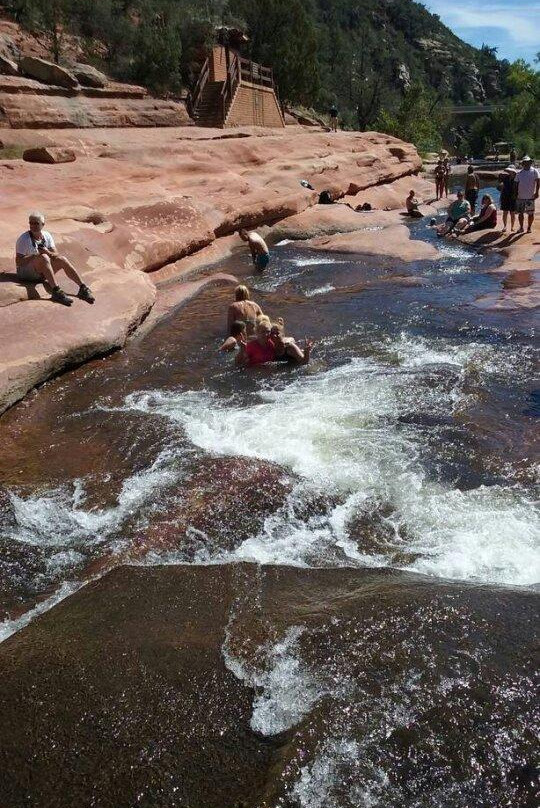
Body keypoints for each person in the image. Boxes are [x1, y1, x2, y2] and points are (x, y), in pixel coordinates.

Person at [15, 212, 94, 307]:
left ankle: (83, 288)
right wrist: (35, 256)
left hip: (41, 273)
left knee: (62, 259)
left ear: (43, 225)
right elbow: (19, 262)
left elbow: (56, 255)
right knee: (43, 258)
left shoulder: (46, 236)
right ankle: (56, 291)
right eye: (31, 223)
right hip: (25, 273)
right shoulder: (24, 239)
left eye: (36, 223)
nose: (33, 226)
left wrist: (47, 252)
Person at [514, 156, 540, 234]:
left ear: (530, 162)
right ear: (523, 163)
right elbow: (515, 184)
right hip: (520, 197)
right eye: (525, 162)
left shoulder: (535, 171)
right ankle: (521, 227)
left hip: (530, 197)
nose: (526, 163)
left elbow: (538, 182)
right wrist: (515, 194)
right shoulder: (519, 173)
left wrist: (537, 192)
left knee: (530, 213)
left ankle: (529, 227)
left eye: (528, 162)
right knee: (520, 213)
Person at [498, 164, 517, 233]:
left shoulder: (516, 179)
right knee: (505, 212)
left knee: (512, 213)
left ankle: (512, 227)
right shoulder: (505, 178)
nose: (509, 172)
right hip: (505, 197)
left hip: (513, 198)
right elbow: (500, 187)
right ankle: (505, 226)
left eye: (510, 171)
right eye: (509, 171)